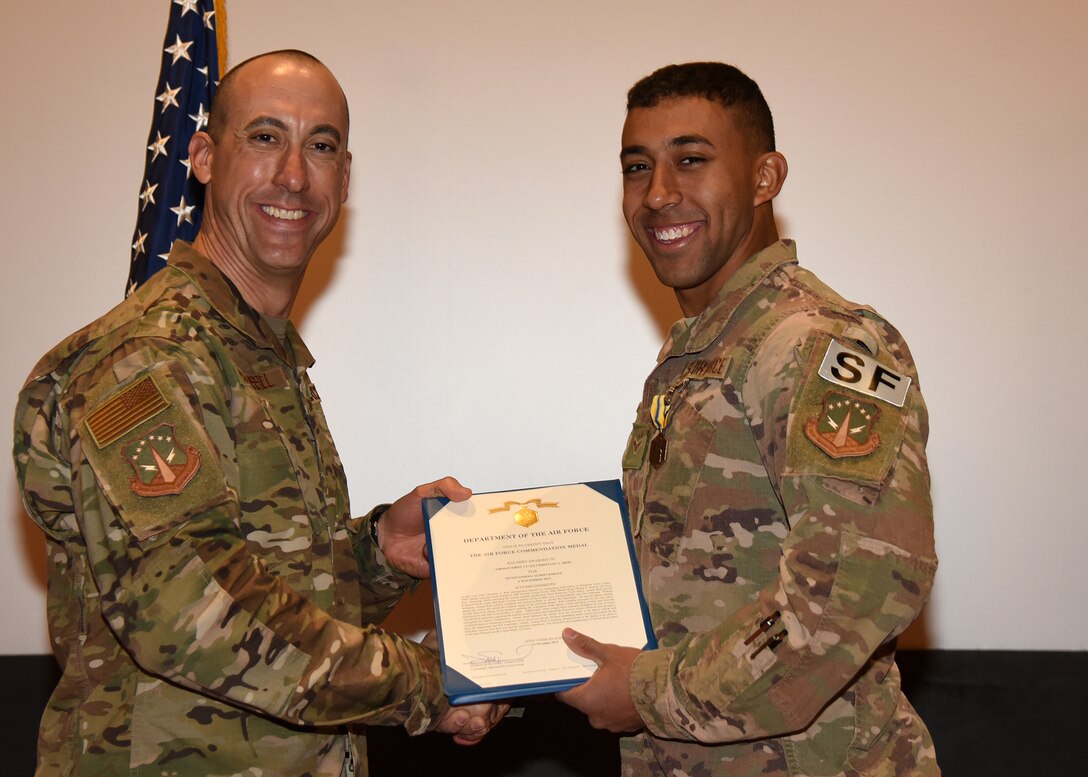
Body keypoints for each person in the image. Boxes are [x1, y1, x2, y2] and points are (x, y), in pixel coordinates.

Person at [13, 50, 504, 777]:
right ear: (205, 157)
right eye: (266, 138)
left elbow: (279, 583)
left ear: (345, 178)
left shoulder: (263, 359)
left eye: (322, 145)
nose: (295, 176)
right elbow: (194, 611)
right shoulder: (143, 359)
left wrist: (378, 553)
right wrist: (427, 683)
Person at [557, 62, 939, 775]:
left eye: (691, 160)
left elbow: (853, 587)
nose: (658, 193)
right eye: (637, 167)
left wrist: (647, 692)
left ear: (766, 177)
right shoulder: (702, 353)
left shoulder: (818, 341)